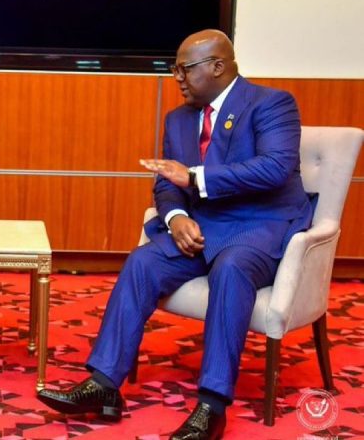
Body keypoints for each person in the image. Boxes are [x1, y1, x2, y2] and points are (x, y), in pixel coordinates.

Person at [37, 29, 313, 440]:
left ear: (217, 66)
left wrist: (196, 178)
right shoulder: (178, 119)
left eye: (185, 68)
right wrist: (177, 216)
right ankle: (105, 384)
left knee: (231, 269)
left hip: (259, 226)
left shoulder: (270, 104)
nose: (177, 78)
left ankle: (211, 406)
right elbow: (168, 183)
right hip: (202, 227)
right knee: (143, 261)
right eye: (175, 69)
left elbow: (274, 167)